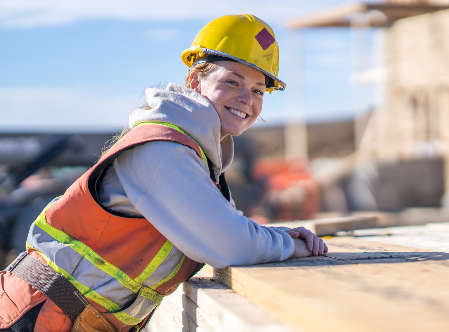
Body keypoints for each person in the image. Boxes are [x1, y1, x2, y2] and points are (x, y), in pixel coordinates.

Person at [0, 14, 327, 332]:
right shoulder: (163, 151)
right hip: (36, 317)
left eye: (258, 90)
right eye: (232, 81)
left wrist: (280, 237)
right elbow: (232, 244)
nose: (247, 98)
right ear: (195, 80)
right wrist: (288, 246)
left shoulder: (196, 156)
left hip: (63, 317)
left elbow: (229, 228)